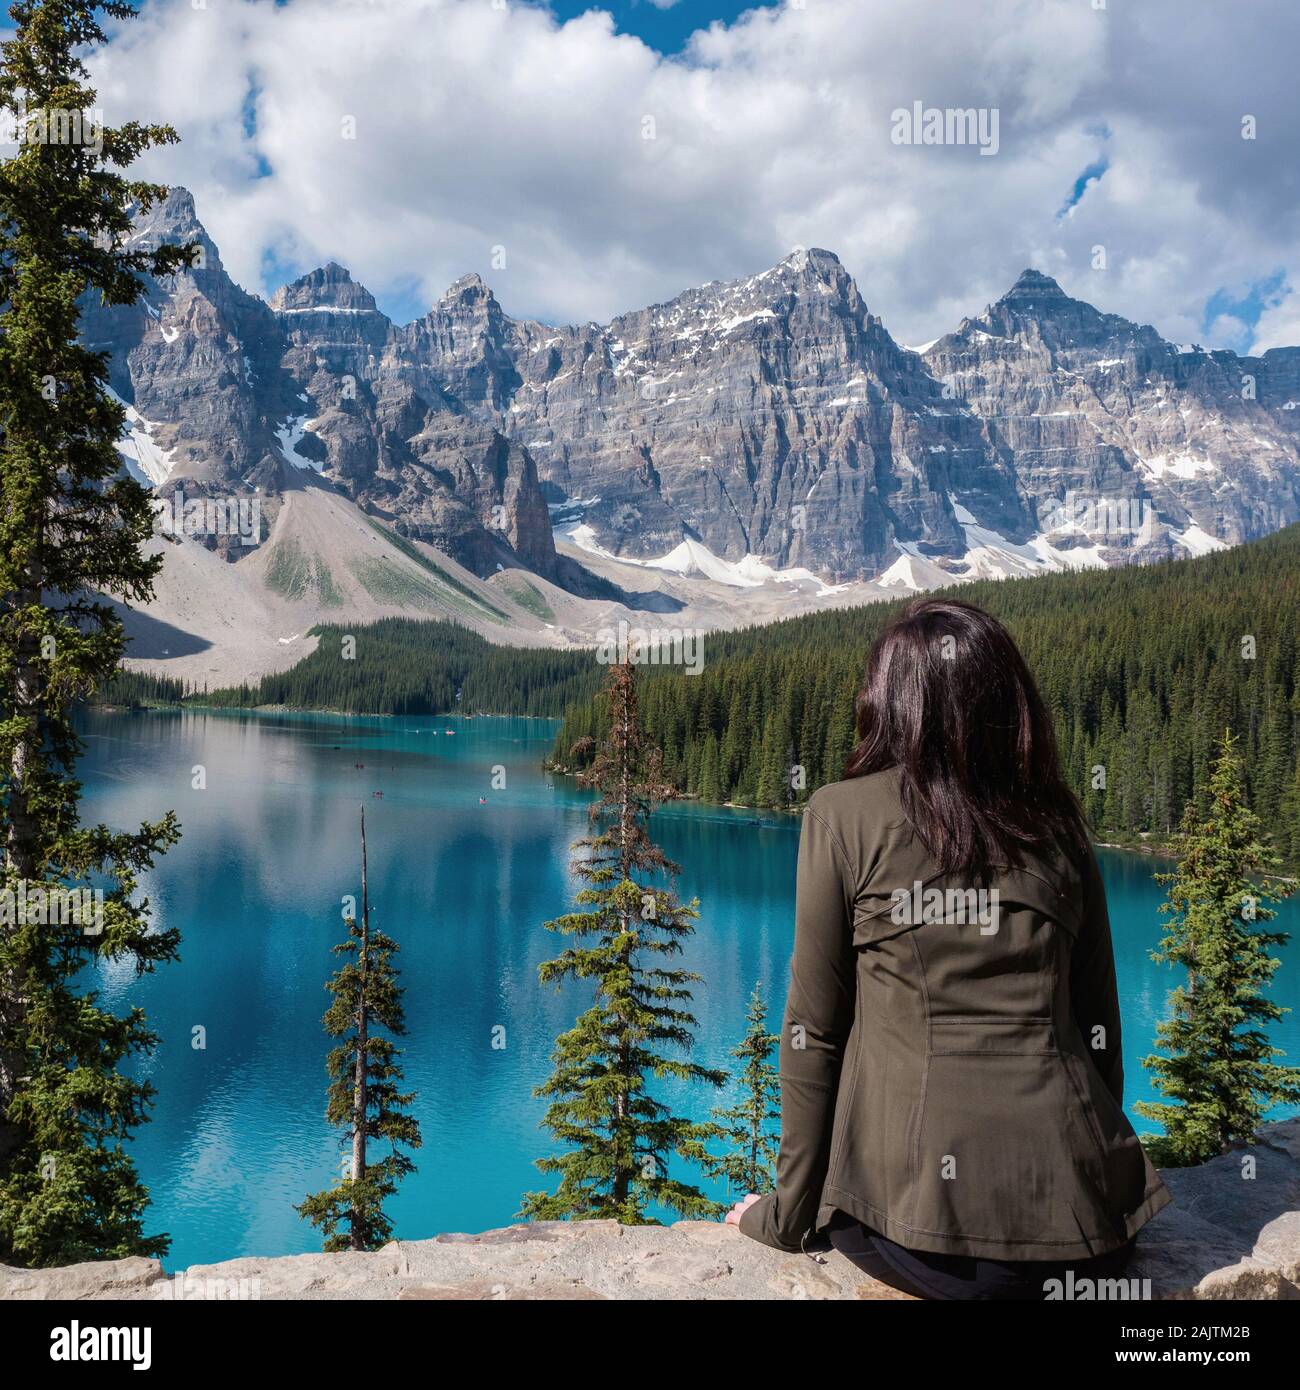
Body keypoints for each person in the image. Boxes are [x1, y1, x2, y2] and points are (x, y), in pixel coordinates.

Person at [727, 597, 1171, 1300]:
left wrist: (784, 1216)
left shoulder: (842, 816)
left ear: (892, 705)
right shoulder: (1057, 825)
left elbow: (813, 1033)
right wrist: (1087, 1184)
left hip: (920, 1238)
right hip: (1090, 1241)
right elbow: (1101, 1033)